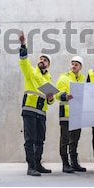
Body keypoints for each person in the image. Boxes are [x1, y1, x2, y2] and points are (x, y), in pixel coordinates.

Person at [18, 31, 55, 176]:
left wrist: (51, 98)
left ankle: (38, 164)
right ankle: (31, 166)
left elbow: (50, 101)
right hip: (29, 110)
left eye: (45, 60)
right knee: (30, 139)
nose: (42, 61)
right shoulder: (31, 72)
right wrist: (23, 45)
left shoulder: (48, 80)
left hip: (41, 113)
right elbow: (24, 61)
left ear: (48, 65)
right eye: (41, 59)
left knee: (40, 139)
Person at [56, 55, 86, 173]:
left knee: (75, 139)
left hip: (77, 114)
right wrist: (65, 96)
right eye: (72, 63)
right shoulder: (64, 77)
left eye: (76, 64)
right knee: (65, 139)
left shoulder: (82, 79)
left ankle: (74, 163)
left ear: (80, 67)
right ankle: (65, 163)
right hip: (66, 113)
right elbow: (57, 94)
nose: (73, 66)